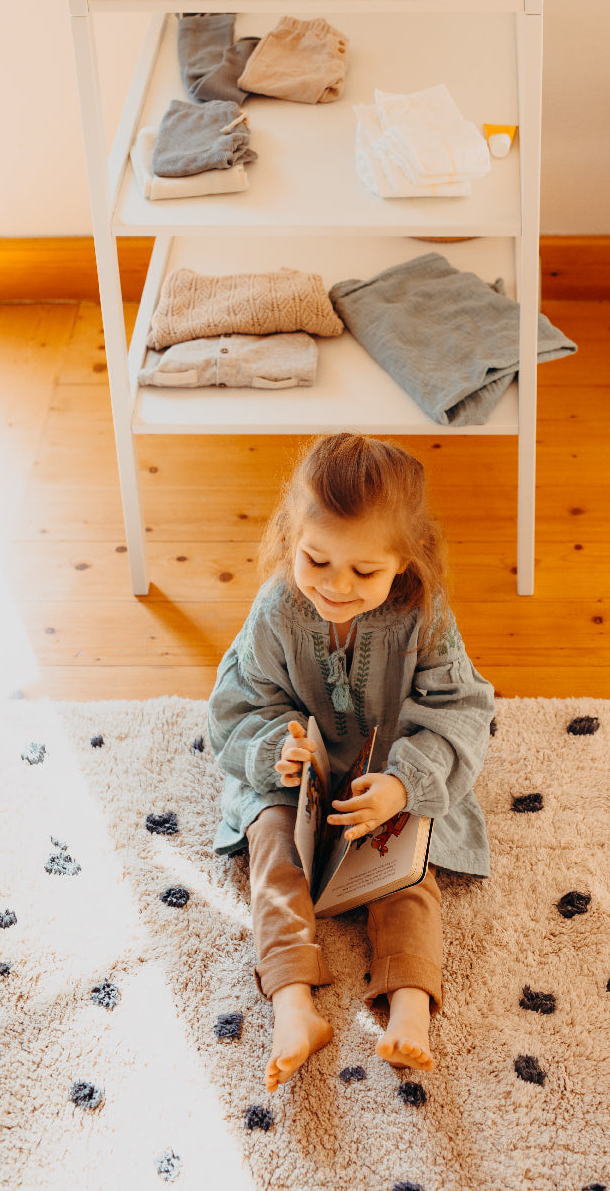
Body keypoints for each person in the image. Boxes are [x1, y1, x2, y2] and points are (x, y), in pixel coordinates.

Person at [208, 433, 495, 1092]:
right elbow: (238, 706)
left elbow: (460, 713)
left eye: (363, 572)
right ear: (290, 539)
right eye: (316, 560)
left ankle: (409, 1006)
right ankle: (292, 1006)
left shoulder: (422, 618)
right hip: (294, 783)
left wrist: (403, 783)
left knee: (406, 872)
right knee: (271, 854)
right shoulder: (276, 611)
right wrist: (276, 747)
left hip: (386, 779)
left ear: (404, 560)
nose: (335, 586)